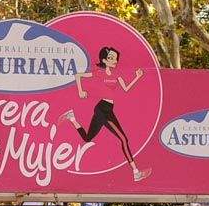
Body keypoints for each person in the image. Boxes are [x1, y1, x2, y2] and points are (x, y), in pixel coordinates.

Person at [60, 46, 151, 182]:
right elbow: (78, 75)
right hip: (103, 109)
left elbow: (126, 88)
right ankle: (136, 172)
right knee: (123, 139)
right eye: (111, 58)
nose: (114, 60)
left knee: (88, 138)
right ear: (104, 60)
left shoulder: (116, 74)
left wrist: (137, 77)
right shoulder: (99, 72)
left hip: (107, 109)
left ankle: (72, 118)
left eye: (115, 58)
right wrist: (80, 91)